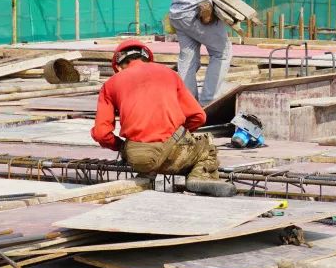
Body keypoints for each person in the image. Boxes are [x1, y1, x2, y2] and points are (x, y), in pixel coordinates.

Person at [91, 39, 236, 196]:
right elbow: (198, 116)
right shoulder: (169, 74)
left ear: (118, 67)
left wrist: (122, 147)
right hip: (175, 152)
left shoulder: (110, 84)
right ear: (147, 58)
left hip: (137, 157)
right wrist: (179, 134)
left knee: (145, 159)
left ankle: (148, 172)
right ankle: (200, 176)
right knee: (207, 150)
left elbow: (101, 133)